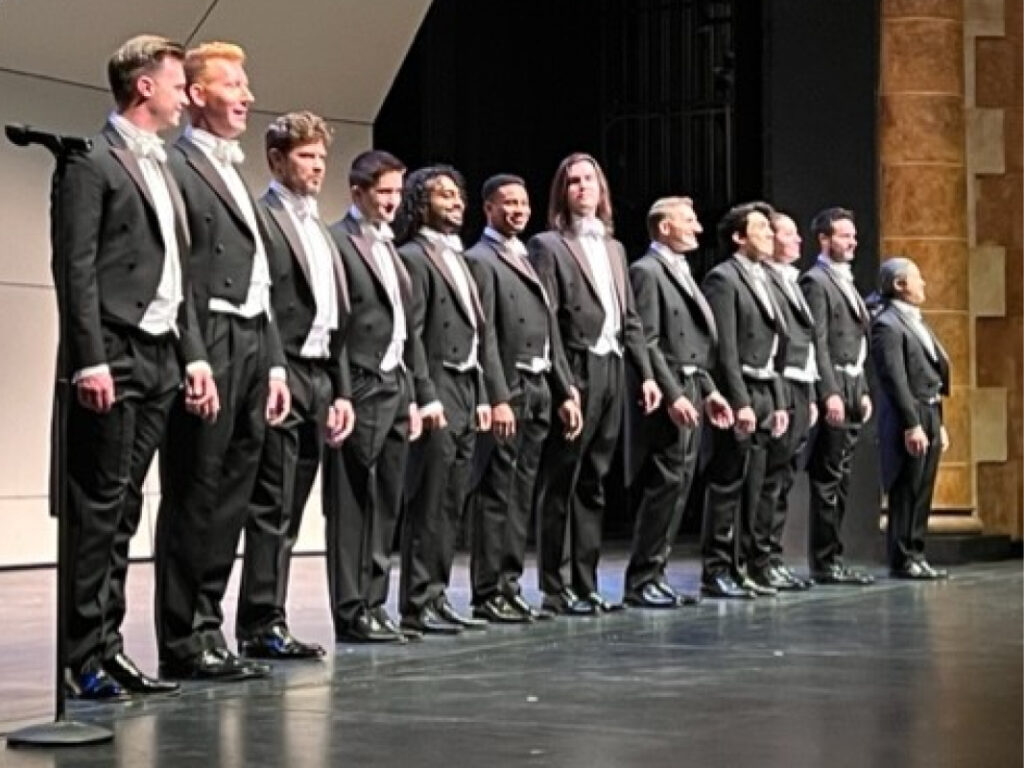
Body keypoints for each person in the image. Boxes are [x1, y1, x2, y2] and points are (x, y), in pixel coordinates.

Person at [55, 34, 210, 699]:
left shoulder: (165, 167)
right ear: (144, 86)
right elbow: (75, 269)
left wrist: (194, 353)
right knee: (98, 509)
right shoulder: (93, 160)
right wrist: (88, 359)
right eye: (177, 83)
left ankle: (110, 646)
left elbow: (181, 275)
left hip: (160, 357)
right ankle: (81, 655)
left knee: (126, 511)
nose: (185, 96)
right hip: (112, 354)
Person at [155, 41, 290, 681]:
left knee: (234, 495)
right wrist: (194, 357)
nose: (247, 96)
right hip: (208, 340)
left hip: (250, 344)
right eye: (234, 84)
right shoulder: (179, 166)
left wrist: (274, 366)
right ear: (197, 94)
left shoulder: (235, 171)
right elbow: (177, 274)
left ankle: (210, 628)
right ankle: (183, 638)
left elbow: (261, 280)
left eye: (246, 83)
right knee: (195, 494)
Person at [234, 111, 355, 659]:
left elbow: (338, 316)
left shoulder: (320, 228)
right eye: (306, 157)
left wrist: (341, 390)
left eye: (321, 158)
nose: (316, 167)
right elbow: (261, 307)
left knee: (294, 504)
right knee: (272, 505)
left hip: (320, 374)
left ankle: (271, 618)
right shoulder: (263, 218)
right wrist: (275, 370)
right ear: (277, 160)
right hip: (280, 369)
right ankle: (261, 622)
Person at [529, 152, 661, 616]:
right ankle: (554, 585)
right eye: (573, 181)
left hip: (611, 370)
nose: (583, 187)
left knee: (594, 481)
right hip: (576, 369)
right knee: (561, 480)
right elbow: (546, 322)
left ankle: (585, 583)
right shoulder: (548, 245)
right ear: (562, 192)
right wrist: (565, 389)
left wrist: (645, 374)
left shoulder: (615, 248)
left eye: (590, 180)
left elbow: (630, 319)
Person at [465, 174, 582, 623]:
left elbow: (551, 329)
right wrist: (498, 396)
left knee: (521, 493)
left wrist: (565, 389)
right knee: (496, 492)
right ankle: (487, 590)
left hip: (538, 385)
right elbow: (487, 333)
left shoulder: (529, 256)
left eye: (523, 202)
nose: (517, 210)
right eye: (508, 203)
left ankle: (510, 585)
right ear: (489, 208)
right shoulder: (481, 259)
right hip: (509, 387)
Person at [325, 150, 423, 643]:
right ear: (358, 192)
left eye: (397, 193)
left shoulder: (391, 248)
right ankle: (350, 607)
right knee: (352, 504)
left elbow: (404, 326)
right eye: (383, 193)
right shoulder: (337, 241)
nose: (392, 202)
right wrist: (343, 390)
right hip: (361, 384)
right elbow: (336, 328)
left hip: (395, 385)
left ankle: (374, 602)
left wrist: (412, 395)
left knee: (386, 500)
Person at [394, 165, 491, 635]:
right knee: (428, 498)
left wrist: (484, 394)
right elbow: (411, 333)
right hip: (437, 383)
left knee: (453, 499)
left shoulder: (459, 257)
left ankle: (437, 593)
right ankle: (416, 601)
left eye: (457, 194)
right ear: (420, 203)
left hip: (467, 385)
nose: (455, 201)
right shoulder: (414, 256)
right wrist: (425, 394)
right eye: (442, 195)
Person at [624, 197, 733, 608]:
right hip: (672, 391)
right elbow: (647, 340)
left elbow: (696, 350)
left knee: (680, 484)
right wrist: (671, 394)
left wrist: (710, 392)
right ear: (665, 227)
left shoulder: (680, 270)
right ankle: (642, 578)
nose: (698, 228)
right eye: (689, 221)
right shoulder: (647, 271)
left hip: (691, 387)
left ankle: (657, 573)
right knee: (665, 483)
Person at [700, 202, 790, 599]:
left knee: (756, 484)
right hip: (742, 391)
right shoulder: (724, 278)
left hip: (766, 388)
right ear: (738, 237)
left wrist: (781, 401)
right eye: (761, 229)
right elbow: (726, 349)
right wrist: (740, 403)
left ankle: (744, 565)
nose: (770, 235)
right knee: (728, 482)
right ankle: (717, 567)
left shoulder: (766, 278)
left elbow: (779, 347)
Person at [800, 207, 874, 585]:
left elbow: (857, 345)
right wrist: (828, 391)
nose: (853, 241)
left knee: (841, 477)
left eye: (853, 235)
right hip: (833, 387)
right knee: (828, 479)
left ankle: (834, 557)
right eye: (844, 235)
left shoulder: (845, 281)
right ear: (825, 240)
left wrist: (860, 391)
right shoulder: (816, 281)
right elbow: (819, 342)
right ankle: (825, 562)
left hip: (851, 386)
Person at [870, 258, 950, 579]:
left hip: (929, 410)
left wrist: (938, 423)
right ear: (899, 285)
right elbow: (894, 378)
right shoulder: (887, 324)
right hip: (908, 414)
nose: (924, 284)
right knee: (906, 487)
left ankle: (917, 552)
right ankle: (902, 558)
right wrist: (912, 423)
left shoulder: (916, 321)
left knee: (923, 487)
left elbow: (932, 374)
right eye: (917, 278)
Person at [756, 211, 818, 590]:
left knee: (784, 477)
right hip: (780, 385)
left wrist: (810, 392)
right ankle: (760, 558)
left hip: (800, 384)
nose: (797, 241)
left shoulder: (791, 281)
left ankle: (773, 555)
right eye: (788, 234)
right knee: (770, 478)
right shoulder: (767, 280)